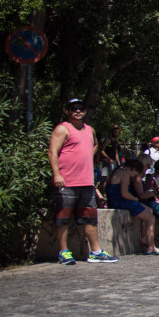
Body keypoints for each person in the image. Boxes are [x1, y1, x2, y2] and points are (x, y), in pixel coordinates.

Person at [48, 98, 117, 264]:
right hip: (67, 181)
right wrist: (57, 174)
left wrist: (86, 156)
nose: (77, 111)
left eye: (80, 108)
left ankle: (96, 252)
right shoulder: (63, 129)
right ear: (67, 111)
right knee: (63, 217)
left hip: (86, 182)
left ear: (85, 111)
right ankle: (63, 252)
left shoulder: (89, 130)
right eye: (73, 108)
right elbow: (52, 152)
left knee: (90, 218)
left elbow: (95, 146)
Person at [106, 160, 159, 255]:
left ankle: (145, 238)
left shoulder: (119, 170)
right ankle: (151, 247)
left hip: (116, 201)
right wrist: (135, 199)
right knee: (151, 218)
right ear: (133, 169)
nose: (135, 176)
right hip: (120, 202)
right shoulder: (125, 174)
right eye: (136, 173)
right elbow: (124, 193)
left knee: (149, 210)